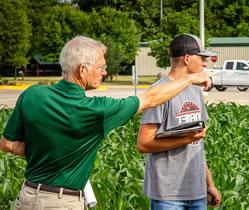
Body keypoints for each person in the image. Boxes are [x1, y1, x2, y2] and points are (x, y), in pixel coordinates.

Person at [0, 35, 214, 210]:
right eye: (101, 67)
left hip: (27, 196)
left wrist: (47, 152)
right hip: (62, 202)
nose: (105, 72)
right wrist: (189, 79)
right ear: (82, 70)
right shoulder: (96, 110)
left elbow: (8, 144)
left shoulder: (32, 94)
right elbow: (149, 99)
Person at [137, 33, 221, 209]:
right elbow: (143, 144)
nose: (205, 64)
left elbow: (197, 143)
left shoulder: (196, 90)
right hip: (168, 195)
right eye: (202, 58)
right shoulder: (159, 92)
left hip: (197, 191)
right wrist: (185, 139)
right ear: (187, 58)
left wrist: (209, 183)